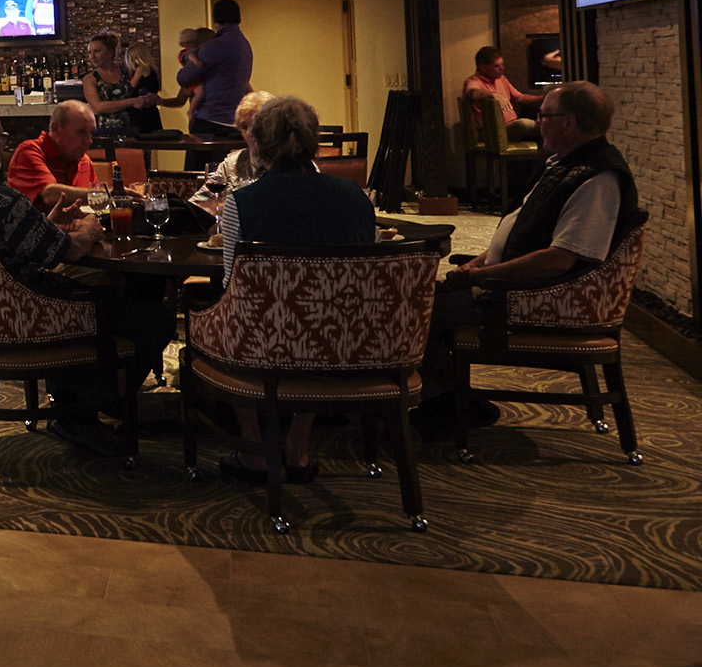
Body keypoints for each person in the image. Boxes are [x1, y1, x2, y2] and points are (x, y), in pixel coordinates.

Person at [0, 105, 172, 456]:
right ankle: (80, 410)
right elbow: (69, 251)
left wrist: (44, 226)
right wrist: (88, 228)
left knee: (103, 297)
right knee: (151, 318)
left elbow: (13, 243)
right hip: (20, 323)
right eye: (1, 139)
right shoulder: (3, 202)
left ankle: (76, 398)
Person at [422, 81, 637, 437]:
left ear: (568, 122)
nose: (537, 124)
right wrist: (481, 261)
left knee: (407, 313)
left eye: (543, 116)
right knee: (415, 301)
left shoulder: (597, 178)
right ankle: (452, 398)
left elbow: (559, 260)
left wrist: (481, 278)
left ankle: (443, 407)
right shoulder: (566, 165)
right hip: (508, 287)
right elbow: (525, 230)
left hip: (530, 300)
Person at [210, 96, 376, 483]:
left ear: (258, 144)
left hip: (264, 348)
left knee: (233, 313)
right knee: (323, 312)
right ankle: (297, 446)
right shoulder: (356, 197)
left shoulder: (241, 203)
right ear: (313, 141)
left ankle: (253, 450)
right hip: (345, 341)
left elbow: (234, 289)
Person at [6, 100, 104, 208]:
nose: (89, 141)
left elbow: (93, 208)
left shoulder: (84, 161)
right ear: (56, 129)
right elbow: (50, 195)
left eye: (91, 133)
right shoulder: (29, 151)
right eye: (81, 132)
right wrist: (108, 195)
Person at [177, 0, 252, 135]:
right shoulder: (245, 45)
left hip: (211, 120)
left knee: (201, 156)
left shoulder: (216, 45)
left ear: (216, 18)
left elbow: (183, 77)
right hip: (234, 119)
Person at [190, 90, 274, 202]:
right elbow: (199, 201)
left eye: (256, 125)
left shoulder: (290, 163)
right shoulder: (232, 164)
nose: (250, 132)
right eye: (244, 127)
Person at [464, 45, 543, 142]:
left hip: (511, 126)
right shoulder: (474, 81)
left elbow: (520, 98)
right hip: (492, 133)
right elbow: (472, 92)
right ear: (482, 67)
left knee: (539, 121)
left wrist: (544, 98)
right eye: (496, 66)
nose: (502, 68)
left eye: (502, 64)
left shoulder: (501, 79)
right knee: (524, 124)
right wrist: (492, 94)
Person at [83, 32, 153, 133]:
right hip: (105, 132)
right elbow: (98, 107)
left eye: (97, 51)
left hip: (134, 130)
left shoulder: (127, 72)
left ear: (110, 52)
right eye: (90, 52)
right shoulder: (90, 79)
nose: (92, 56)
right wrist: (131, 102)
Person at [125, 42, 163, 134]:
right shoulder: (151, 70)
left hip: (142, 112)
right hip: (151, 110)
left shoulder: (140, 69)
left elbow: (131, 87)